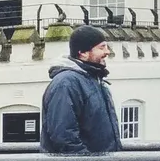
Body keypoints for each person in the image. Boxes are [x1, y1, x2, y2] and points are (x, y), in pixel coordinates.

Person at [41, 25, 122, 154]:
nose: (107, 52)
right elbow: (64, 136)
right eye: (101, 47)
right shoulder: (65, 84)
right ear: (83, 53)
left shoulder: (94, 79)